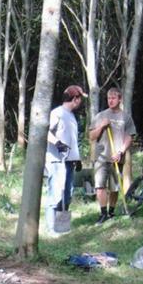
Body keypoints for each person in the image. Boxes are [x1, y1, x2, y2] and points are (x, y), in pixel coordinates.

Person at [89, 87, 136, 223]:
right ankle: (103, 213)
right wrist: (101, 126)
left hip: (117, 157)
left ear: (120, 99)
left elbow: (129, 137)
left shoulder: (125, 117)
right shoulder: (101, 116)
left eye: (113, 98)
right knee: (100, 185)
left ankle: (111, 212)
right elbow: (92, 136)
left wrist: (121, 151)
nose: (110, 100)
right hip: (101, 157)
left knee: (115, 187)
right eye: (109, 98)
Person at [46, 85, 86, 217]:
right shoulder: (57, 113)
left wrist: (77, 159)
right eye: (80, 98)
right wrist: (57, 143)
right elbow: (45, 132)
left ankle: (61, 226)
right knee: (56, 195)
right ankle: (52, 228)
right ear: (75, 98)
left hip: (69, 162)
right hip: (57, 161)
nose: (81, 102)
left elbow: (72, 140)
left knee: (68, 194)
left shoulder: (72, 116)